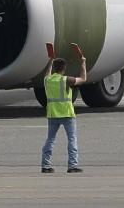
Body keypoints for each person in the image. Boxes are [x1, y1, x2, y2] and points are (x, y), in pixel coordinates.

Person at [41, 43, 87, 174]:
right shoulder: (66, 80)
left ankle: (45, 165)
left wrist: (50, 60)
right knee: (72, 139)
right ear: (64, 69)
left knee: (50, 140)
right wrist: (83, 63)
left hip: (52, 115)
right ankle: (72, 166)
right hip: (67, 113)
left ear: (54, 68)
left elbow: (47, 74)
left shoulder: (47, 80)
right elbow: (83, 79)